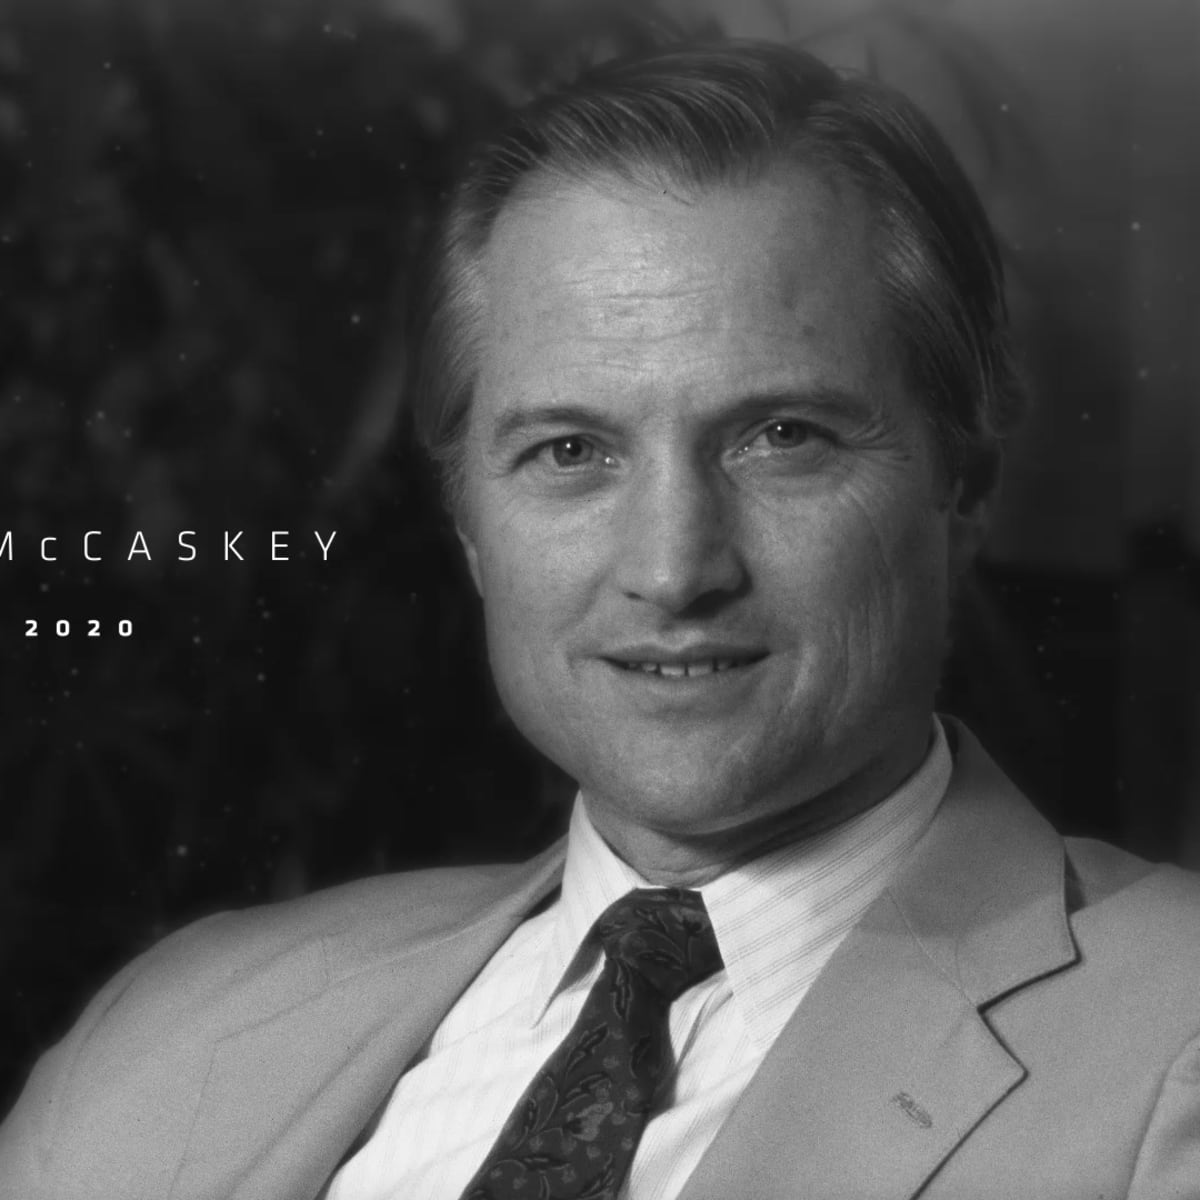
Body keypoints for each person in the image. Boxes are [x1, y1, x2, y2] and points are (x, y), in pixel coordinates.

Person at [2, 38, 1199, 1200]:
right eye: (570, 451)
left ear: (963, 489)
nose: (673, 571)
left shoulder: (1174, 1049)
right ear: (471, 523)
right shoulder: (177, 1031)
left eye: (784, 436)